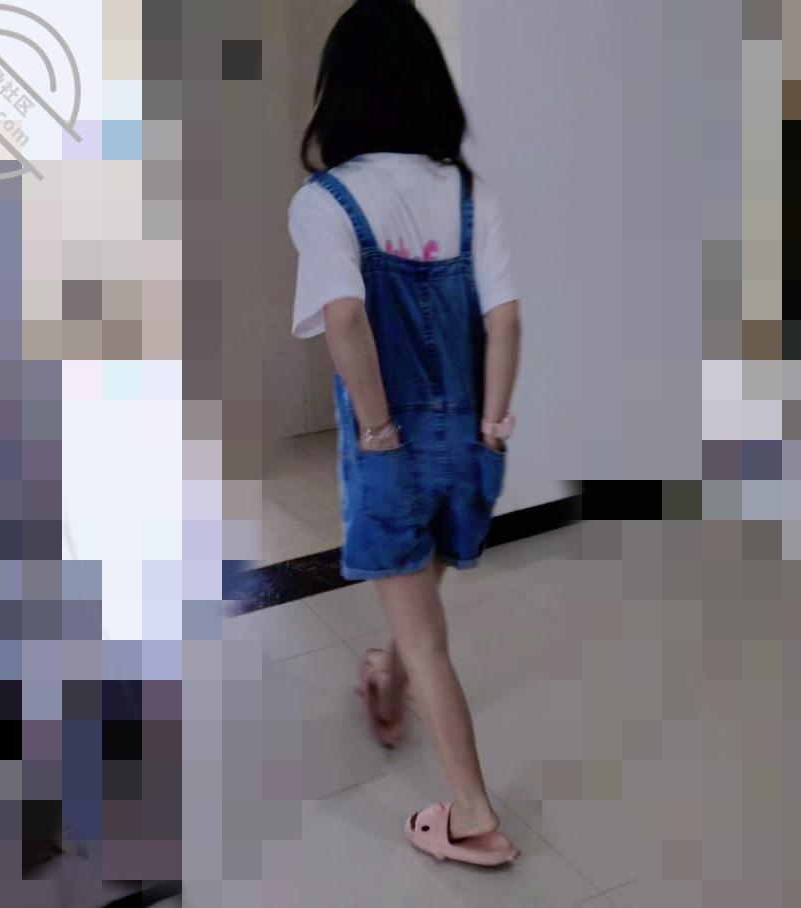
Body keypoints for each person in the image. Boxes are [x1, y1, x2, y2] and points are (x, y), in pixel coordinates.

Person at [288, 0, 522, 867]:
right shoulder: (468, 194)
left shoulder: (325, 202)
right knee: (419, 597)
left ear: (341, 91)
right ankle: (385, 680)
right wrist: (492, 430)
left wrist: (379, 432)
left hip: (393, 451)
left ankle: (472, 816)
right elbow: (506, 322)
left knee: (427, 638)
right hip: (470, 444)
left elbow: (345, 318)